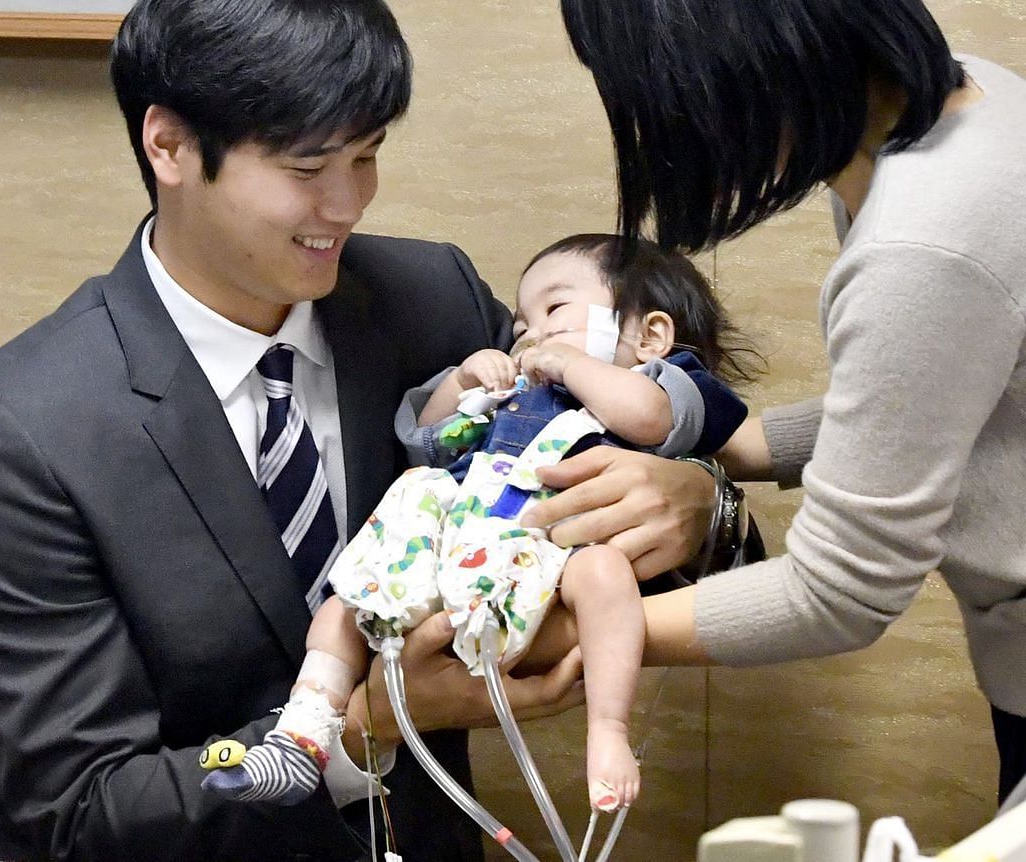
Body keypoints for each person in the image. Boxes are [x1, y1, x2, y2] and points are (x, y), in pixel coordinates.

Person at [0, 0, 588, 862]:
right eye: (308, 169)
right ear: (171, 146)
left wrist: (700, 506)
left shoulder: (428, 299)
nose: (349, 204)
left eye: (368, 156)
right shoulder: (19, 436)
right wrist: (366, 725)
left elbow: (602, 487)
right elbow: (84, 809)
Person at [538, 0, 1026, 807]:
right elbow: (930, 398)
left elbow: (841, 592)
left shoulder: (921, 242)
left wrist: (575, 635)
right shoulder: (965, 103)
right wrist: (732, 447)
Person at [200, 233, 757, 815]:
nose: (529, 334)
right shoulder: (520, 392)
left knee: (603, 575)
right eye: (520, 323)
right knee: (352, 600)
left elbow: (648, 420)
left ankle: (609, 732)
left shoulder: (667, 381)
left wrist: (572, 364)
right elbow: (428, 444)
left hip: (551, 554)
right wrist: (462, 384)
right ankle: (305, 729)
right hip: (463, 550)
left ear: (650, 337)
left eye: (556, 310)